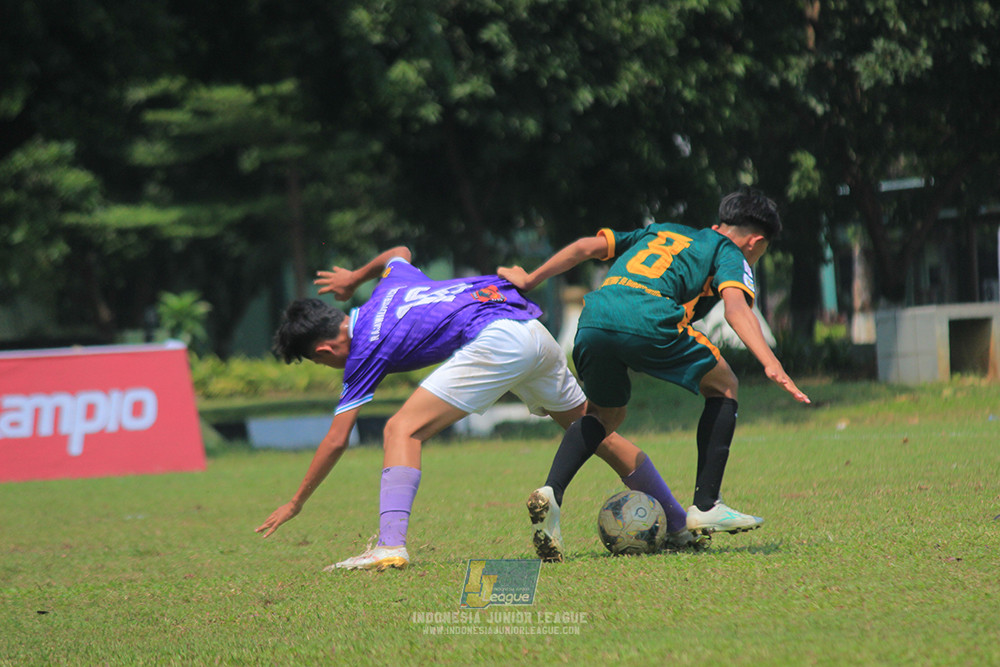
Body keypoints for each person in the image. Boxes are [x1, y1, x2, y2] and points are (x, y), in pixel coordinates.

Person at [256, 246, 699, 571]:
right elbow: (399, 252)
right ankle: (678, 524)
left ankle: (390, 545)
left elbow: (337, 439)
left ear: (326, 345)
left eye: (321, 359)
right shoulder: (390, 287)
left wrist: (296, 502)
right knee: (597, 432)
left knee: (400, 431)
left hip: (498, 339)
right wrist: (355, 276)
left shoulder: (361, 349)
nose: (330, 365)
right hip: (532, 331)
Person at [498, 188, 811, 559]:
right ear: (756, 243)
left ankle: (551, 491)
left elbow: (586, 247)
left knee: (605, 416)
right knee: (725, 385)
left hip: (595, 318)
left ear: (717, 224)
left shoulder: (661, 231)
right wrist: (770, 361)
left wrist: (531, 279)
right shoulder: (729, 251)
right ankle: (707, 505)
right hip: (647, 315)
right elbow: (736, 309)